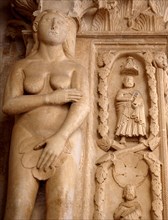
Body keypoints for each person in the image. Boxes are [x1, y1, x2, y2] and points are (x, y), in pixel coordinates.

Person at [2, 10, 89, 219]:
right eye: (49, 20)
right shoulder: (21, 67)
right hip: (26, 136)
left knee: (62, 204)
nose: (54, 26)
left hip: (64, 136)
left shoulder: (75, 68)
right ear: (35, 27)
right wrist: (50, 99)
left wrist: (61, 137)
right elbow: (9, 105)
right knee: (17, 206)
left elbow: (83, 105)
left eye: (60, 22)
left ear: (68, 31)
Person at [115, 75, 147, 144]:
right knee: (124, 121)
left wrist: (137, 103)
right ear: (123, 82)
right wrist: (129, 99)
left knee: (138, 118)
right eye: (127, 80)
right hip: (125, 109)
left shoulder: (136, 92)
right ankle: (123, 137)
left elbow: (140, 100)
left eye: (131, 80)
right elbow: (118, 98)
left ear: (134, 83)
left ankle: (140, 137)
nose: (129, 81)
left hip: (135, 109)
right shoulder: (121, 91)